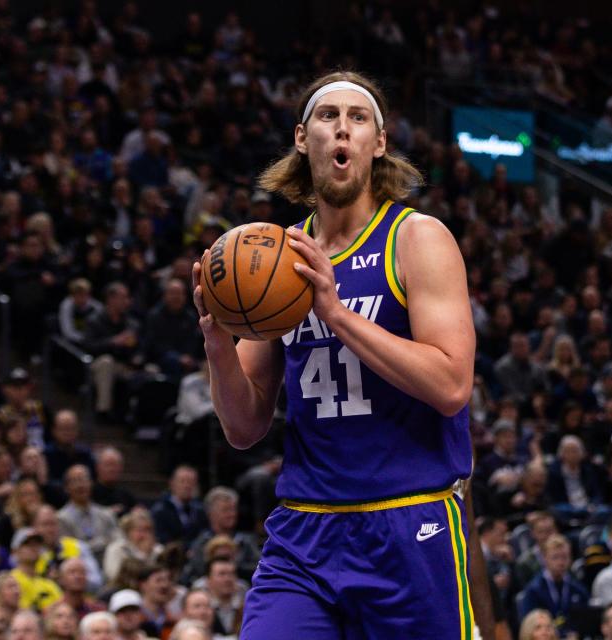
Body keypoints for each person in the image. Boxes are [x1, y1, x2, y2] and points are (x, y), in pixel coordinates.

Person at [191, 71, 475, 637]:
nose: (342, 128)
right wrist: (218, 341)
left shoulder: (417, 239)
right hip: (306, 531)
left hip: (409, 520)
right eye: (328, 117)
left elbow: (450, 386)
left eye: (357, 117)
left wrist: (336, 313)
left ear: (379, 142)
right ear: (303, 138)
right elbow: (244, 426)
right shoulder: (275, 258)